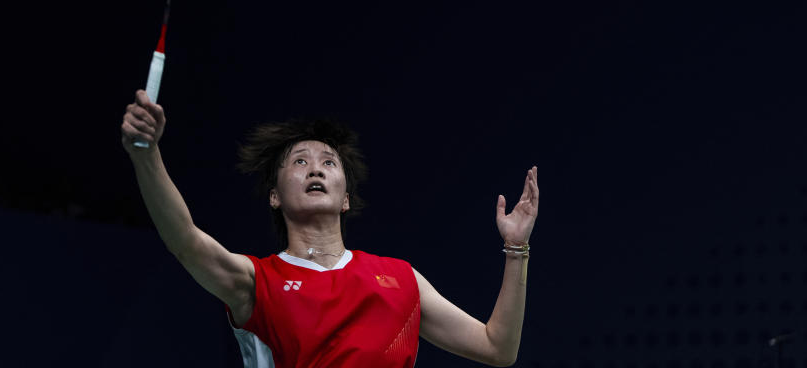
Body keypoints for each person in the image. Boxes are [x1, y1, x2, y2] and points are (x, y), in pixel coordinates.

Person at [121, 89, 539, 367]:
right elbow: (185, 240)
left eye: (329, 162)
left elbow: (497, 347)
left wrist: (516, 250)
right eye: (299, 161)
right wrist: (146, 155)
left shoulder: (401, 279)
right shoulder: (257, 281)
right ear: (274, 196)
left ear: (345, 199)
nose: (315, 168)